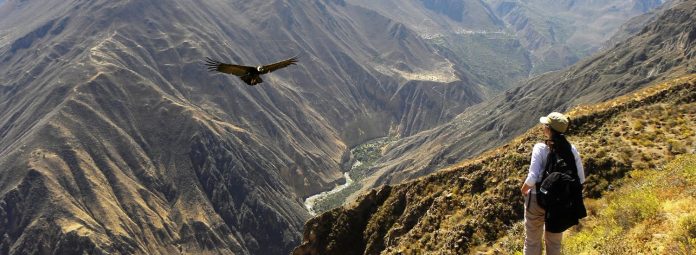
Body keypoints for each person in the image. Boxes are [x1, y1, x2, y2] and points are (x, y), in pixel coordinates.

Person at [520, 112, 585, 255]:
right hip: (559, 203)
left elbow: (532, 176)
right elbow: (581, 179)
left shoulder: (540, 148)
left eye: (545, 125)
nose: (543, 127)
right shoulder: (571, 149)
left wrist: (524, 191)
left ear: (549, 129)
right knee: (554, 243)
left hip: (537, 199)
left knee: (532, 242)